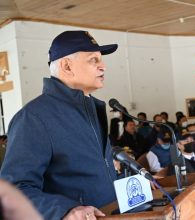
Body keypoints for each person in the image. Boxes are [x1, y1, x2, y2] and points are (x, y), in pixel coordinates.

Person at [0, 31, 118, 219]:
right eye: (93, 60)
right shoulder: (34, 118)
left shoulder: (93, 109)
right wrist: (64, 209)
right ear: (67, 66)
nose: (103, 66)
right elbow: (14, 190)